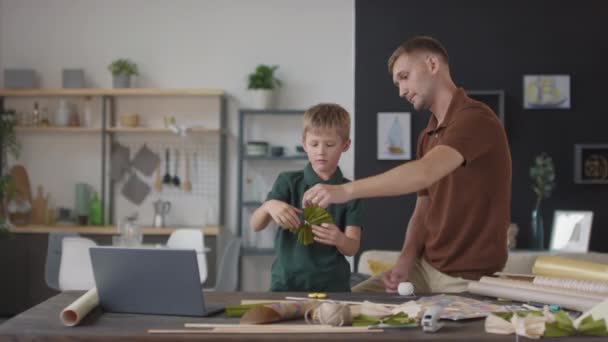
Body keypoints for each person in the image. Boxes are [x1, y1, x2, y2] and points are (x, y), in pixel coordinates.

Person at [302, 36, 512, 293]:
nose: (401, 91)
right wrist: (405, 260)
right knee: (346, 306)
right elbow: (424, 206)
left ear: (432, 64)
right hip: (424, 268)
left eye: (404, 76)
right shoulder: (428, 135)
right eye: (397, 82)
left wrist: (344, 191)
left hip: (467, 278)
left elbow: (423, 173)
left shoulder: (475, 119)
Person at [249, 103, 362, 292]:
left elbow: (352, 248)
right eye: (314, 144)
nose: (321, 152)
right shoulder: (287, 182)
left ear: (345, 145)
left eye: (330, 144)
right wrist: (269, 205)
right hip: (286, 284)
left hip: (333, 286)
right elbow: (255, 224)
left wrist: (339, 239)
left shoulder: (351, 192)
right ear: (304, 144)